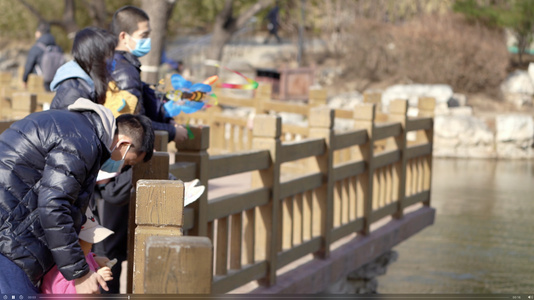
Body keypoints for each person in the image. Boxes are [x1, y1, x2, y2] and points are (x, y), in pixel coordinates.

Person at [0, 99, 155, 294]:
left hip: (12, 222)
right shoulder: (81, 143)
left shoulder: (79, 128)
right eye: (127, 163)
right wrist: (80, 273)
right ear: (123, 143)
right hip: (9, 236)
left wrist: (88, 258)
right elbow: (55, 206)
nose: (122, 168)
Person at [90, 7, 187, 293]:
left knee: (111, 245)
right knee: (110, 247)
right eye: (143, 35)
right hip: (117, 166)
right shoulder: (124, 70)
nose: (148, 40)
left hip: (114, 164)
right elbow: (135, 123)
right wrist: (171, 130)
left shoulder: (119, 64)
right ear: (124, 36)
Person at [41, 209, 115, 294]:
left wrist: (95, 259)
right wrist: (97, 278)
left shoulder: (82, 254)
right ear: (76, 242)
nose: (92, 244)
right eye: (89, 240)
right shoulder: (61, 270)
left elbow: (87, 256)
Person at [50, 27, 117, 109]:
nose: (112, 60)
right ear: (94, 57)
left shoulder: (87, 85)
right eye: (107, 56)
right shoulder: (73, 92)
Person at [22, 22, 63, 91]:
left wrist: (24, 80)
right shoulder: (58, 48)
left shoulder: (36, 48)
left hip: (42, 83)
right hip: (57, 83)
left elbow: (29, 65)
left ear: (38, 33)